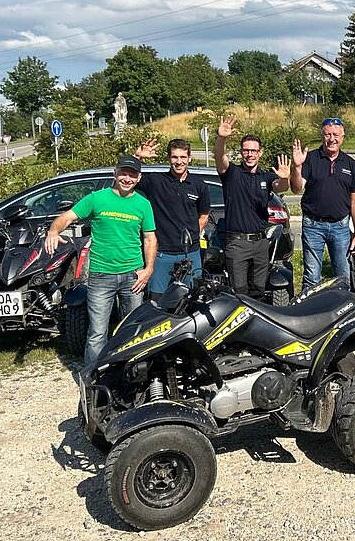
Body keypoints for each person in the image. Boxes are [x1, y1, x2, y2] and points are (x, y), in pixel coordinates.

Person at [45, 155, 156, 368]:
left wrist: (148, 269)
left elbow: (150, 238)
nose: (127, 179)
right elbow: (68, 217)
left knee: (132, 330)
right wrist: (53, 231)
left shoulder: (143, 205)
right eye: (123, 173)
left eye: (132, 175)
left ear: (139, 178)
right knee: (97, 332)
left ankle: (128, 374)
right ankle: (94, 377)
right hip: (101, 275)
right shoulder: (97, 199)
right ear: (115, 173)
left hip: (133, 277)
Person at [214, 116, 291, 297]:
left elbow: (281, 187)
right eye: (246, 150)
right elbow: (219, 157)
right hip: (237, 243)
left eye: (253, 151)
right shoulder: (231, 173)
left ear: (260, 153)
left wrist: (285, 178)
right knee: (239, 293)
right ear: (242, 152)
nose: (250, 154)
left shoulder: (266, 176)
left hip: (260, 243)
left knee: (259, 292)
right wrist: (221, 138)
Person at [290, 117, 355, 291]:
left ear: (342, 137)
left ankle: (340, 307)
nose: (332, 139)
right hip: (313, 226)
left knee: (343, 277)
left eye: (336, 135)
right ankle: (311, 307)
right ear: (322, 136)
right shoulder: (310, 159)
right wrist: (297, 167)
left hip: (341, 227)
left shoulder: (351, 164)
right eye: (328, 135)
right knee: (311, 277)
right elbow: (296, 188)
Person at [134, 138, 211, 298]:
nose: (179, 161)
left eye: (183, 157)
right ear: (168, 158)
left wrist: (193, 234)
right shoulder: (155, 181)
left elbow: (204, 215)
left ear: (189, 158)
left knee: (191, 299)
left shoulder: (199, 185)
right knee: (158, 300)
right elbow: (128, 178)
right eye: (175, 157)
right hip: (161, 254)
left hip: (191, 253)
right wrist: (137, 157)